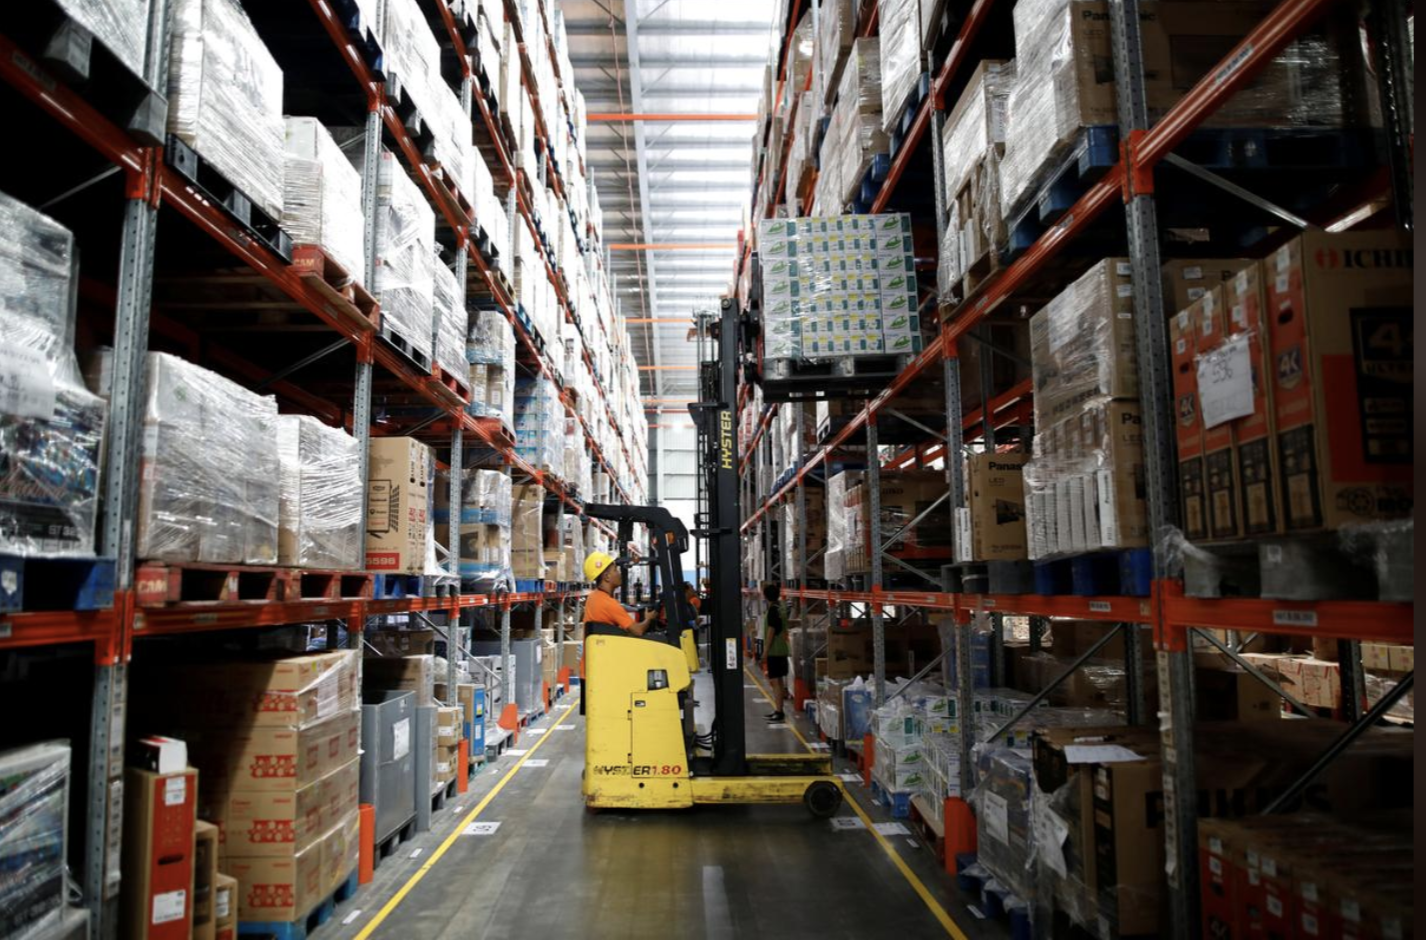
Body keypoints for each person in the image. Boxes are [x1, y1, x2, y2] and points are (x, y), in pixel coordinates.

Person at [582, 552, 656, 637]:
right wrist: (648, 618)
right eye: (615, 570)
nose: (619, 574)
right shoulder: (610, 604)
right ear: (607, 577)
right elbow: (638, 631)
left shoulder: (593, 596)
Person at [761, 582, 790, 722]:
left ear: (766, 596)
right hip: (782, 648)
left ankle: (779, 711)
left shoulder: (773, 610)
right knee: (779, 680)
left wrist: (765, 652)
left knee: (775, 681)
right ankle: (779, 710)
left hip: (775, 650)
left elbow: (771, 632)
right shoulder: (780, 607)